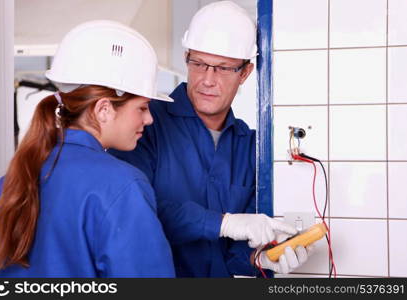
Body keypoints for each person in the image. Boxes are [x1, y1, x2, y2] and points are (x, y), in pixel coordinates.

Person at [109, 1, 312, 277]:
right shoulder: (145, 124)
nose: (207, 79)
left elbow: (232, 253)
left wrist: (260, 258)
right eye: (199, 63)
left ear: (245, 73)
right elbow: (135, 212)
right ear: (186, 58)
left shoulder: (250, 147)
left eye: (223, 68)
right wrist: (222, 223)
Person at [0, 20, 175, 277]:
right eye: (142, 108)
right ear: (103, 109)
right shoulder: (122, 185)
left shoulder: (8, 183)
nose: (149, 119)